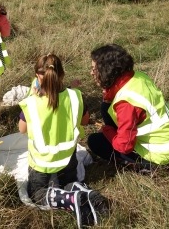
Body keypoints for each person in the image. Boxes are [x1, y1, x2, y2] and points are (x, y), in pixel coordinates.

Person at [18, 54, 108, 228]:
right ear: (63, 75)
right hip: (68, 158)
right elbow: (84, 120)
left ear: (37, 76)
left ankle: (69, 199)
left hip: (41, 162)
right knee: (68, 182)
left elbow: (22, 129)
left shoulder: (32, 103)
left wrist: (35, 99)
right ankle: (80, 190)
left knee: (36, 194)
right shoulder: (76, 97)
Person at [87, 44, 169, 174]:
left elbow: (124, 146)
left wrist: (107, 131)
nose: (91, 73)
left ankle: (141, 165)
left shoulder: (126, 104)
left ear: (106, 70)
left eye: (94, 69)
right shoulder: (137, 76)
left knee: (94, 141)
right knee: (106, 107)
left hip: (159, 156)